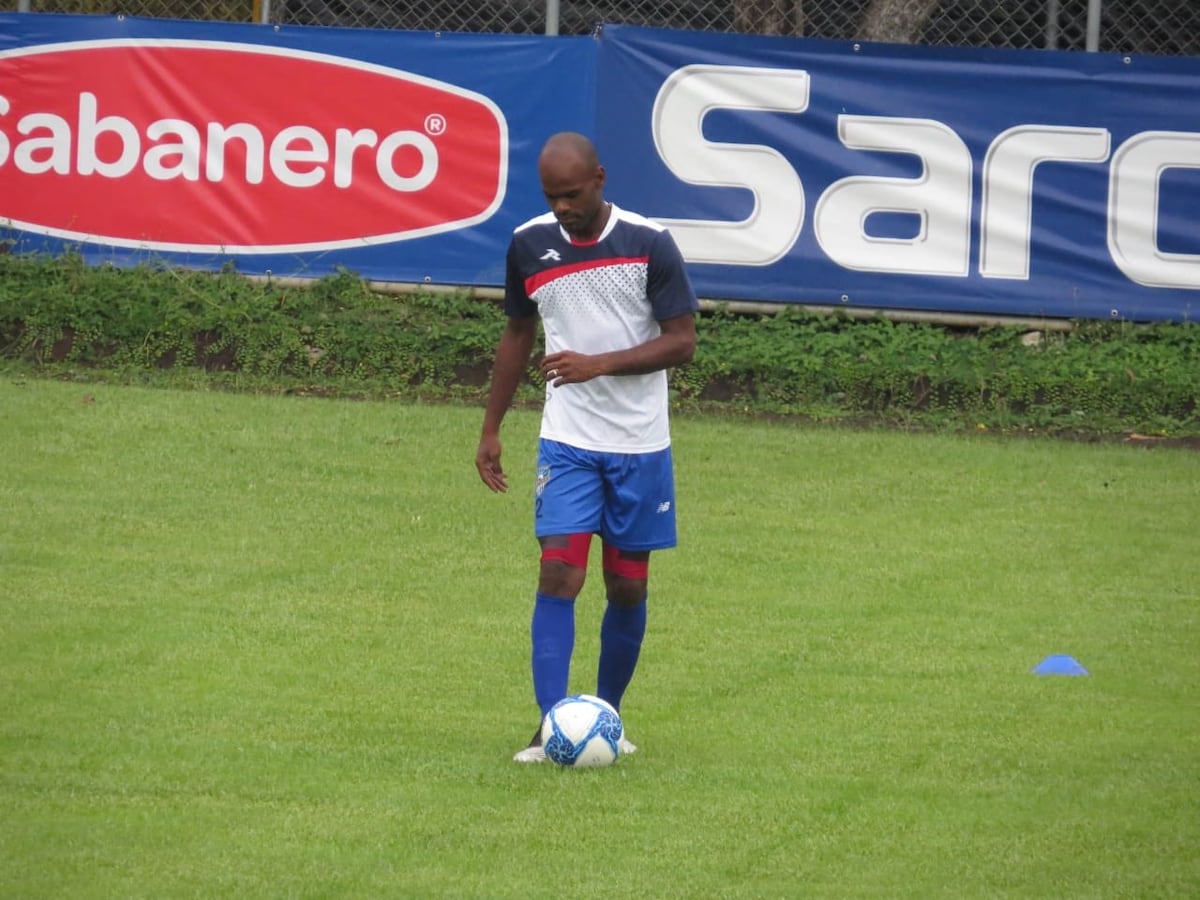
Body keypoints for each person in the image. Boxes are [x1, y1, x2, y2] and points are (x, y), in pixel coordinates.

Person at [475, 131, 699, 763]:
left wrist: (600, 364)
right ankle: (552, 726)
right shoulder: (529, 244)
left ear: (599, 179)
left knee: (626, 586)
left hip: (640, 445)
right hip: (567, 440)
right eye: (552, 196)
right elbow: (517, 333)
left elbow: (682, 341)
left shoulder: (648, 243)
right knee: (559, 572)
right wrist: (491, 428)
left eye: (572, 194)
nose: (562, 207)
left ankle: (606, 718)